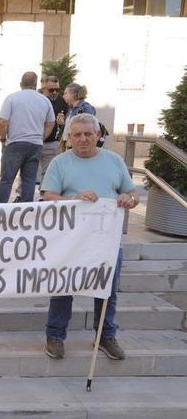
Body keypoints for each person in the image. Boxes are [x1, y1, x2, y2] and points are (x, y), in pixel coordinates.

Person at [41, 113, 139, 361]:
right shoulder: (60, 163)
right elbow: (48, 197)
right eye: (77, 135)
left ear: (98, 135)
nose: (83, 139)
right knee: (63, 287)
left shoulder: (114, 161)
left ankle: (105, 335)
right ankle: (55, 336)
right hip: (70, 240)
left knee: (107, 289)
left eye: (88, 134)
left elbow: (132, 193)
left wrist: (130, 200)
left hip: (106, 240)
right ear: (69, 138)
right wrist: (73, 199)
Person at [0, 71, 55, 203]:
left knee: (6, 179)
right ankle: (26, 209)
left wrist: (3, 138)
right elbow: (51, 122)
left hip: (15, 143)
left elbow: (3, 122)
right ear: (36, 84)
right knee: (29, 179)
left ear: (21, 84)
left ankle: (0, 208)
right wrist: (42, 137)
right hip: (35, 144)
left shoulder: (12, 98)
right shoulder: (44, 100)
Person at [38, 75, 68, 187]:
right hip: (35, 140)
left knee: (48, 172)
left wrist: (62, 123)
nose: (54, 92)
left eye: (57, 89)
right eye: (51, 90)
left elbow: (64, 121)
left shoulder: (61, 101)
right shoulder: (36, 99)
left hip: (52, 142)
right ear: (43, 87)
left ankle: (43, 196)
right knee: (28, 171)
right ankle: (22, 196)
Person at [59, 82, 97, 150]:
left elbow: (89, 128)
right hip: (69, 146)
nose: (63, 96)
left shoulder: (86, 107)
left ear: (73, 94)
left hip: (79, 146)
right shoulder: (71, 109)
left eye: (65, 93)